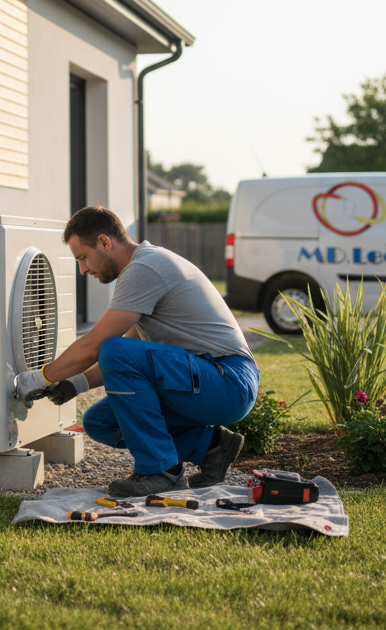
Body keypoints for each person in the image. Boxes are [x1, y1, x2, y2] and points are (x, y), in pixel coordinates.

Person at [14, 206, 259, 497]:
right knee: (101, 422)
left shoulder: (144, 269)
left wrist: (39, 378)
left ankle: (161, 471)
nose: (82, 269)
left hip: (229, 381)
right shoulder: (145, 269)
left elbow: (97, 347)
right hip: (210, 378)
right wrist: (75, 384)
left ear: (105, 243)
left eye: (83, 257)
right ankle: (213, 447)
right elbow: (132, 357)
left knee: (113, 349)